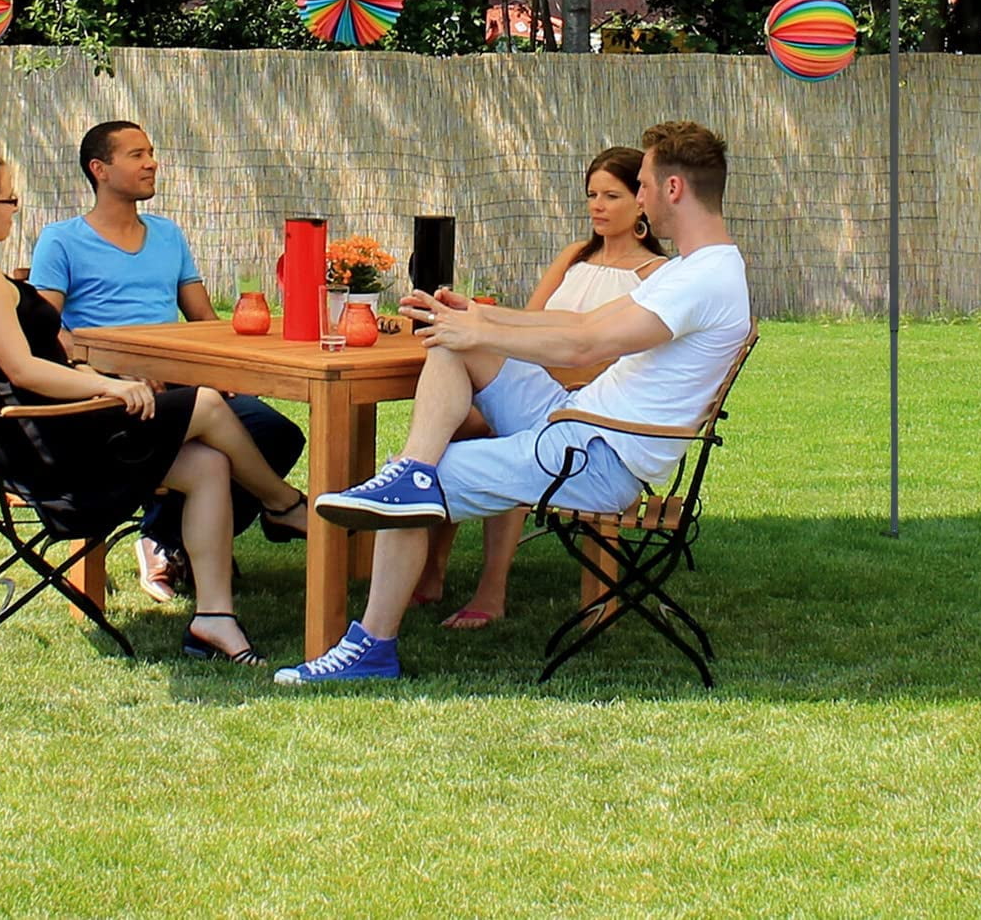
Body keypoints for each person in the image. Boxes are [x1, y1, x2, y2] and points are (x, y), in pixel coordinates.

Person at [274, 121, 749, 685]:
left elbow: (587, 345)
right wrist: (479, 318)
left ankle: (371, 645)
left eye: (642, 185)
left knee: (413, 487)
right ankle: (413, 471)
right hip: (575, 423)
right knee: (453, 348)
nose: (639, 197)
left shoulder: (702, 280)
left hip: (597, 458)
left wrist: (482, 330)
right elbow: (580, 322)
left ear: (673, 189)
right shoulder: (701, 267)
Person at [0, 152, 308, 668]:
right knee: (206, 402)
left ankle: (214, 618)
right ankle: (283, 504)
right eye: (10, 200)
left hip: (54, 430)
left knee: (208, 464)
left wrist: (98, 377)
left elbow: (40, 357)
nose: (16, 209)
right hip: (53, 447)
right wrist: (110, 388)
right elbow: (23, 372)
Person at [29, 121, 305, 603]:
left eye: (151, 153)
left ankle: (166, 538)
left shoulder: (167, 235)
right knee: (222, 442)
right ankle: (272, 509)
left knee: (276, 432)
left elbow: (203, 318)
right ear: (100, 169)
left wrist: (228, 369)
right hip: (115, 389)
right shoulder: (62, 240)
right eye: (136, 155)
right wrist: (110, 372)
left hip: (181, 380)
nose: (151, 163)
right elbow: (45, 328)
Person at [414, 146, 667, 630]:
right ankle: (431, 567)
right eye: (591, 195)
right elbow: (528, 321)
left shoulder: (656, 275)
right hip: (533, 384)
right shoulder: (575, 255)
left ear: (641, 201)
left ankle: (491, 589)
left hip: (586, 412)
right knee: (453, 425)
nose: (597, 206)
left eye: (611, 196)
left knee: (499, 434)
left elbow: (622, 358)